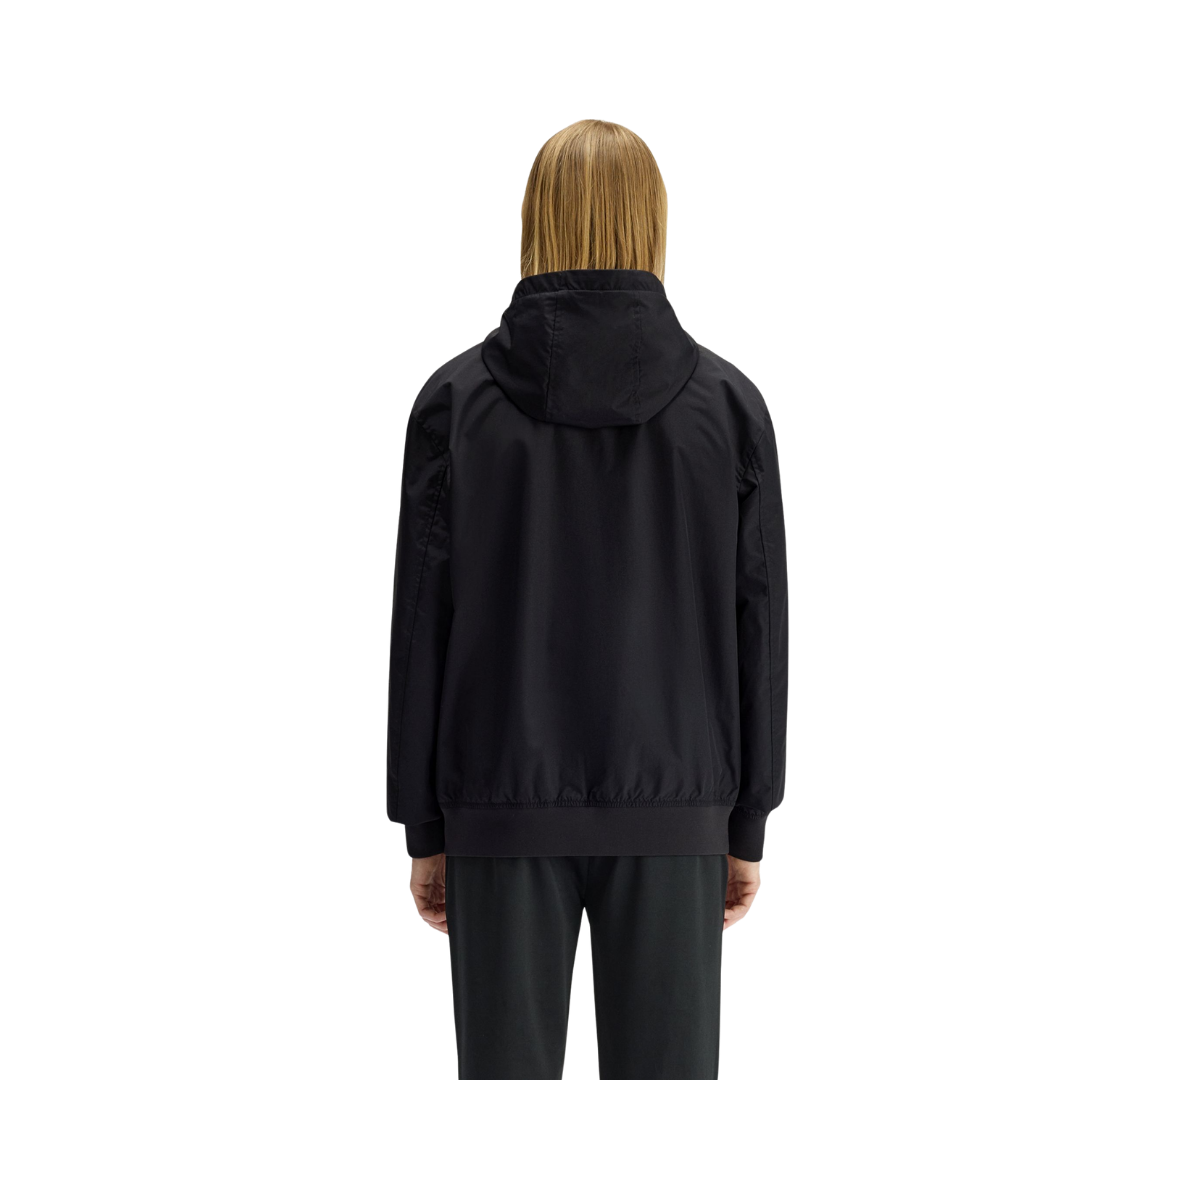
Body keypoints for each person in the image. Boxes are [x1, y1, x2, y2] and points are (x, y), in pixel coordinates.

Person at [387, 119, 788, 1080]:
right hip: (676, 801)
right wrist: (747, 820)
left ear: (534, 220)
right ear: (654, 221)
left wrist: (423, 825)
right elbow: (762, 629)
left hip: (498, 804)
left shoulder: (454, 402)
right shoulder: (731, 406)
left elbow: (418, 626)